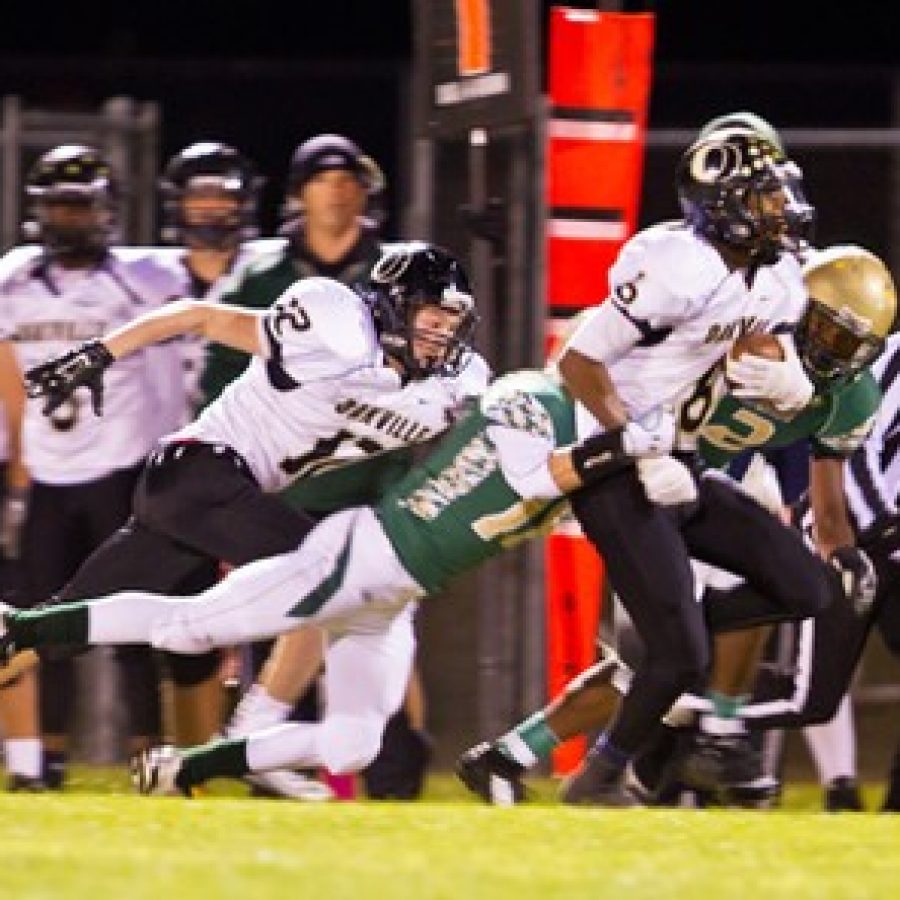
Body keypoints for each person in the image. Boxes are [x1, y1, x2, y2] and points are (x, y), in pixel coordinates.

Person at [0, 367, 677, 794]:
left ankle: (186, 767)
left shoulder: (589, 462)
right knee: (195, 623)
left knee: (354, 744)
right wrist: (630, 446)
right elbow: (536, 475)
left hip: (395, 597)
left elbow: (575, 507)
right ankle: (22, 626)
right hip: (361, 557)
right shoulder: (537, 398)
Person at [0, 241, 482, 785]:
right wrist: (101, 353)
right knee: (327, 576)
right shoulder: (333, 323)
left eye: (453, 319)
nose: (442, 331)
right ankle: (251, 740)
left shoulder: (454, 386)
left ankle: (18, 628)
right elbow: (200, 316)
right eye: (432, 314)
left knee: (59, 632)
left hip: (208, 497)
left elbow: (481, 436)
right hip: (198, 472)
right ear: (394, 304)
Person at [455, 243, 896, 806]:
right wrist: (648, 448)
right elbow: (635, 371)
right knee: (664, 658)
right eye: (830, 333)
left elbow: (827, 500)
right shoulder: (747, 333)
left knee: (796, 592)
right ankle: (607, 773)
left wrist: (844, 553)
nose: (837, 356)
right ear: (797, 309)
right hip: (638, 470)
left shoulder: (849, 397)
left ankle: (516, 755)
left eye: (854, 347)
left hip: (697, 486)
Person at [0, 144, 187, 790]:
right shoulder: (14, 281)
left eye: (81, 205)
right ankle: (41, 760)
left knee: (135, 625)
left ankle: (150, 758)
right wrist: (19, 470)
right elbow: (9, 381)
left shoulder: (147, 279)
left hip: (120, 472)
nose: (70, 218)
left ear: (107, 210)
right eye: (59, 204)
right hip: (49, 478)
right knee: (43, 629)